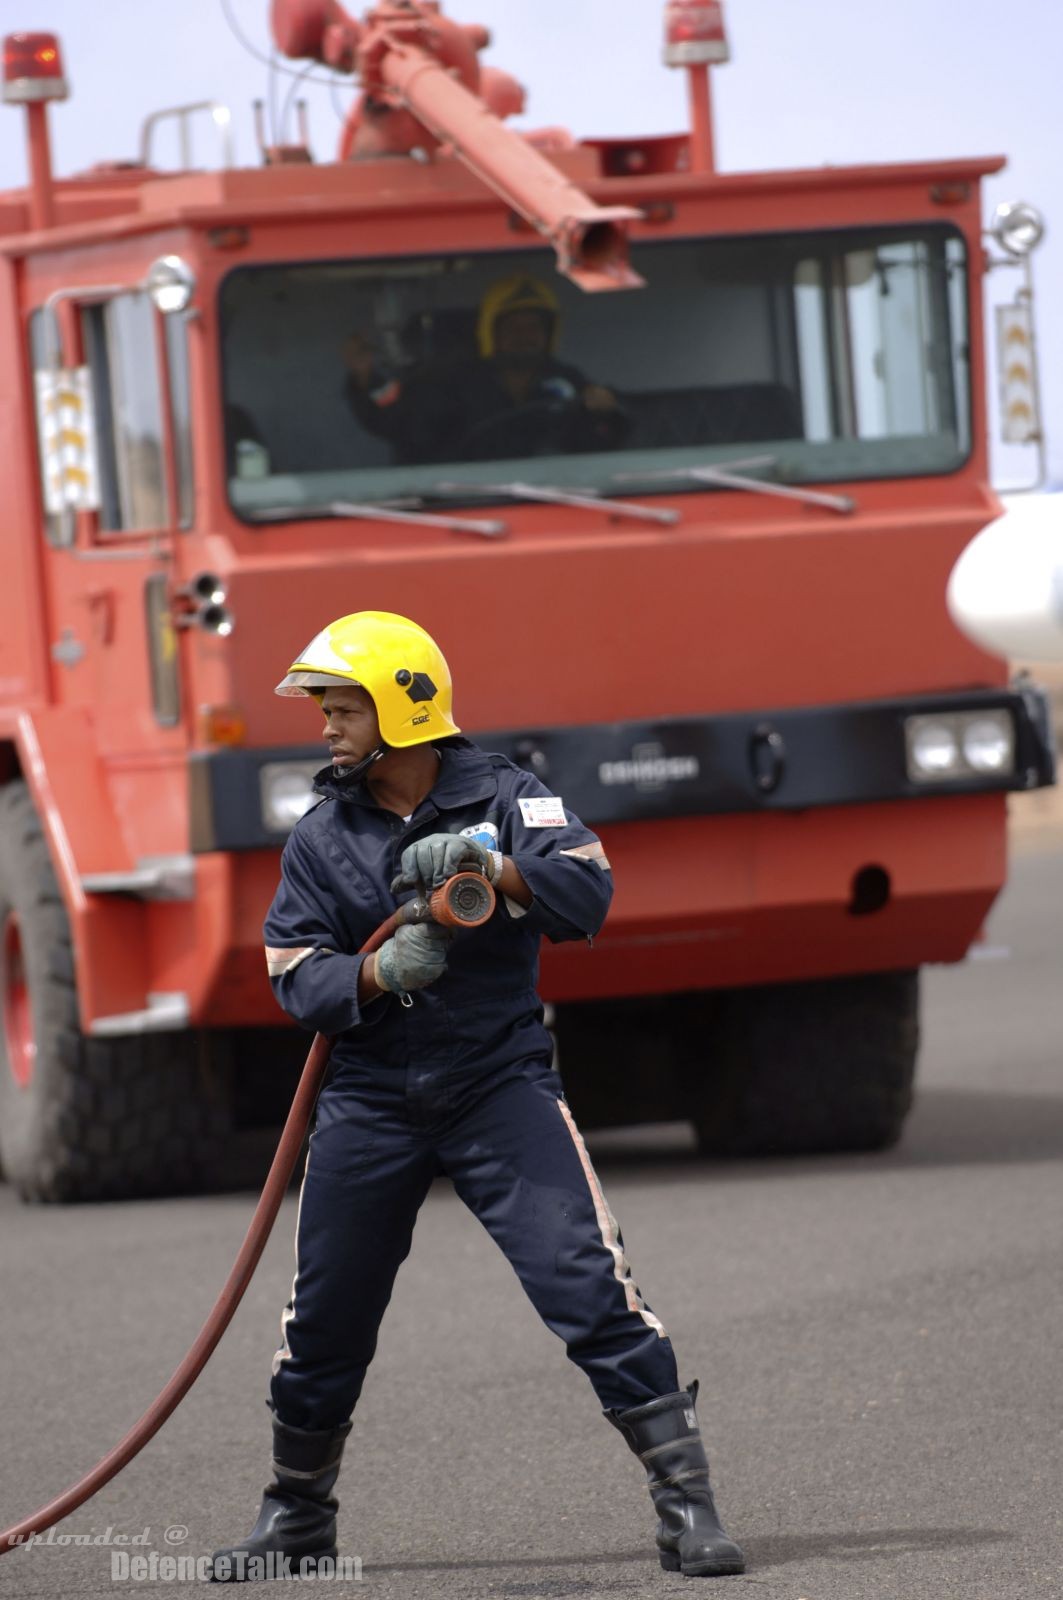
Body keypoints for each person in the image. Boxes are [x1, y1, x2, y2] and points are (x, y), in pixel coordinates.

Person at [210, 611, 744, 1583]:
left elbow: (587, 893)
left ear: (403, 709)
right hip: (368, 1101)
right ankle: (295, 1522)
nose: (324, 729)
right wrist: (376, 977)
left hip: (498, 1086)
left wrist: (492, 868)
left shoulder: (512, 797)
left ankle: (689, 1508)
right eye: (323, 710)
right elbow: (294, 972)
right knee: (323, 1320)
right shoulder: (320, 836)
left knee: (588, 1286)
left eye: (341, 709)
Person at [342, 273, 627, 464]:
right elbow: (396, 422)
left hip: (552, 504)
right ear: (491, 333)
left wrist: (607, 413)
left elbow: (602, 443)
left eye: (534, 327)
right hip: (464, 508)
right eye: (513, 327)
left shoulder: (566, 382)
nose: (524, 336)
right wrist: (366, 380)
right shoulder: (451, 382)